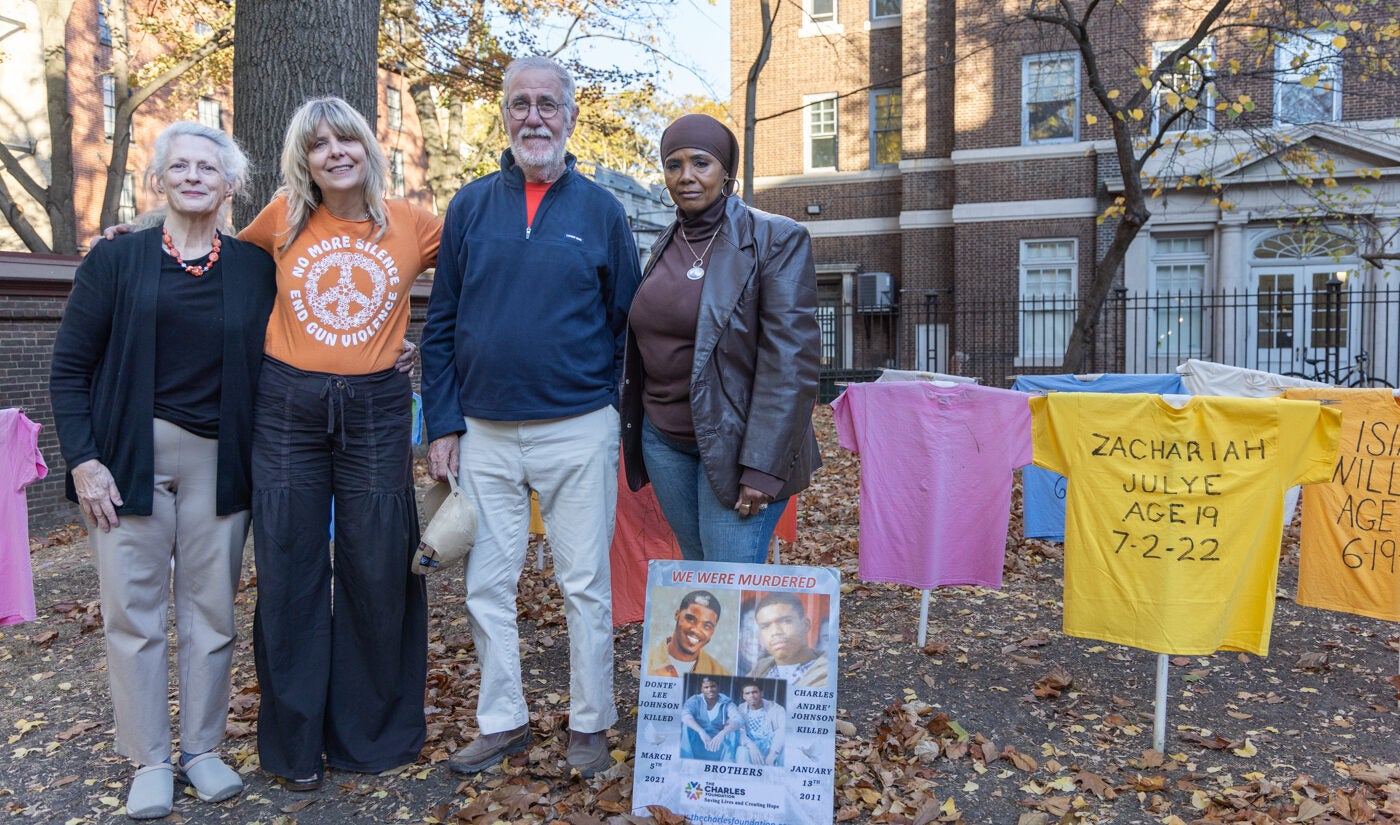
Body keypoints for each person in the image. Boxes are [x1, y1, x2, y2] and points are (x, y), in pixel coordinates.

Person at [420, 56, 641, 778]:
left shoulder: (602, 212)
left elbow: (624, 325)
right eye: (520, 103)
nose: (534, 116)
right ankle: (503, 719)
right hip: (483, 432)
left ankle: (589, 723)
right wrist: (444, 424)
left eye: (548, 103)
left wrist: (603, 405)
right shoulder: (470, 207)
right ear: (505, 115)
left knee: (583, 583)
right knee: (486, 583)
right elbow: (442, 322)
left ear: (571, 117)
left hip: (576, 427)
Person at [50, 121, 275, 819]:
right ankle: (150, 757)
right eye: (179, 165)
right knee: (133, 612)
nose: (193, 175)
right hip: (128, 458)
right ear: (159, 179)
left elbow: (305, 339)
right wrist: (85, 461)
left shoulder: (253, 267)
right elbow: (69, 368)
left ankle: (202, 750)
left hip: (221, 460)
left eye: (208, 166)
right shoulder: (116, 261)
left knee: (211, 612)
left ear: (230, 184)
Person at [240, 96, 441, 790]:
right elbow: (207, 266)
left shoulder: (413, 224)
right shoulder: (281, 219)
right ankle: (295, 745)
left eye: (345, 138)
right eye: (318, 143)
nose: (334, 151)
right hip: (286, 407)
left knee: (376, 564)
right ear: (305, 159)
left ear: (367, 147)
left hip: (377, 409)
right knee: (291, 566)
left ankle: (371, 733)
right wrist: (137, 238)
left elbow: (484, 269)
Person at [620, 113, 822, 564]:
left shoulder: (776, 238)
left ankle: (743, 640)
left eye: (700, 163)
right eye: (674, 165)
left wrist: (763, 466)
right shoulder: (664, 244)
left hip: (738, 446)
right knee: (698, 571)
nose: (686, 176)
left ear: (725, 170)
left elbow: (790, 363)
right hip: (664, 440)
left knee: (728, 580)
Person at [747, 593, 829, 688]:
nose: (775, 632)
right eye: (765, 626)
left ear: (805, 625)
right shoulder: (759, 670)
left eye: (786, 621)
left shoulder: (828, 672)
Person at [646, 590, 730, 677]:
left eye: (707, 626)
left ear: (713, 631)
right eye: (691, 619)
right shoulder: (647, 661)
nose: (696, 630)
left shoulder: (722, 674)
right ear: (677, 615)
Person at [680, 676, 740, 761]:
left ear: (718, 688)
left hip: (719, 745)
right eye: (706, 687)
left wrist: (722, 733)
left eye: (713, 686)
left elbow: (738, 719)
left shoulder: (727, 702)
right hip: (699, 743)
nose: (710, 690)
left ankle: (726, 764)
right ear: (702, 689)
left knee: (734, 729)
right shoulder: (695, 700)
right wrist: (701, 731)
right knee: (687, 726)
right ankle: (687, 763)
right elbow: (685, 715)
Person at [734, 682, 787, 766]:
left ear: (761, 693)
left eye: (754, 692)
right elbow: (739, 731)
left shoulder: (776, 709)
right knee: (741, 751)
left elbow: (783, 730)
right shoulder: (739, 710)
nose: (751, 695)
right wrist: (751, 746)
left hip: (771, 746)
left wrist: (773, 753)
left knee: (785, 751)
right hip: (750, 746)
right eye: (747, 693)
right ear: (744, 696)